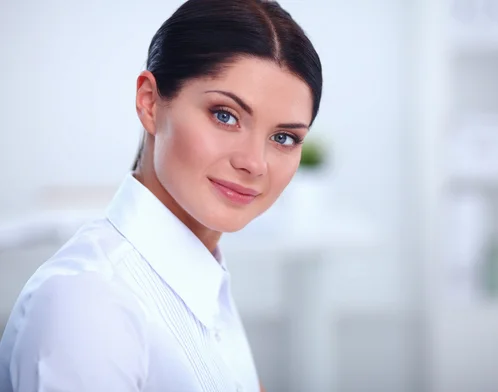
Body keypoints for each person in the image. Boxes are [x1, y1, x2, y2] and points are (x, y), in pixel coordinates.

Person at [0, 0, 322, 390]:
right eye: (225, 115)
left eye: (283, 138)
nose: (254, 163)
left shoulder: (204, 280)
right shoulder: (88, 302)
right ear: (150, 103)